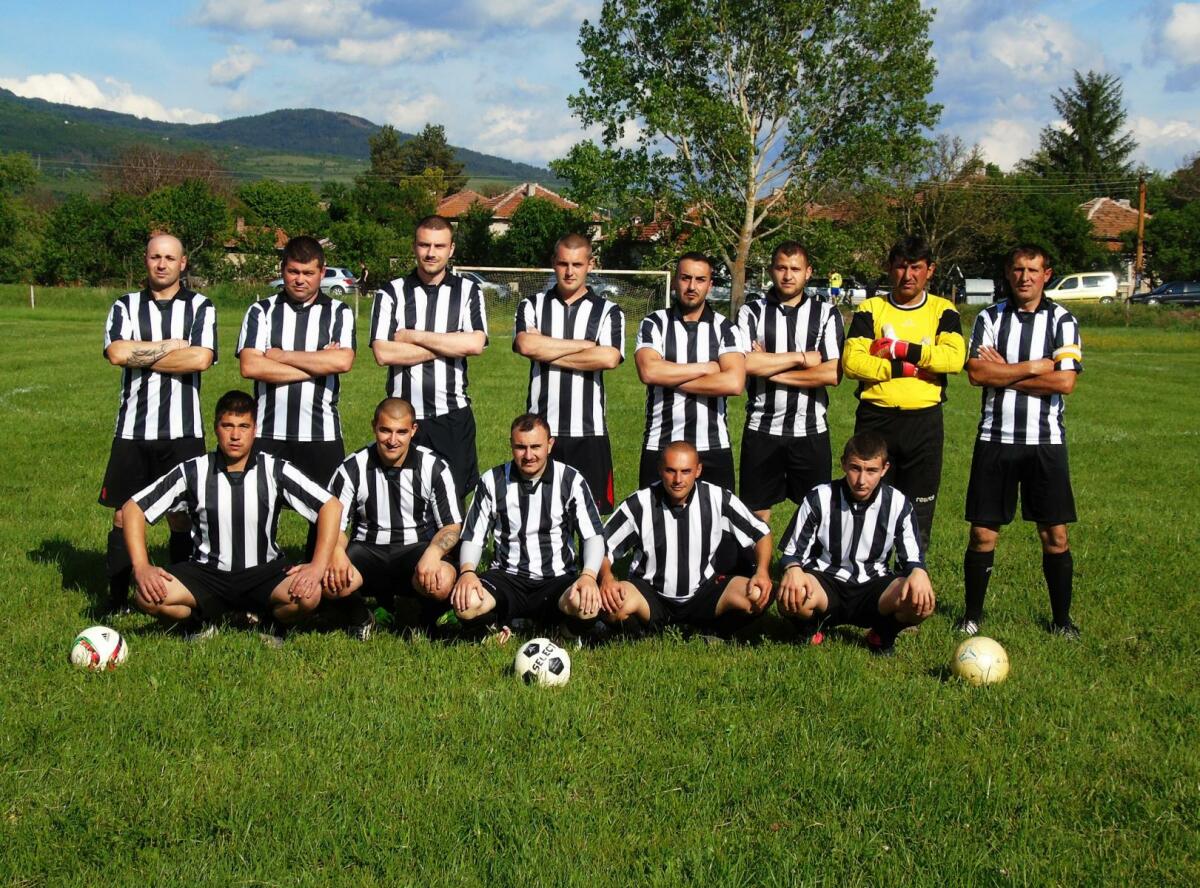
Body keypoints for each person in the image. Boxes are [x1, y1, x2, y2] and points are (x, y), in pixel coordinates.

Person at [121, 390, 342, 636]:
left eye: (243, 426)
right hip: (206, 574)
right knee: (146, 597)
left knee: (310, 596)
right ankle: (198, 623)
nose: (235, 435)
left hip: (264, 572)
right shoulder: (194, 470)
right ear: (216, 428)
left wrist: (317, 566)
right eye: (228, 426)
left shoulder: (274, 469)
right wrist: (141, 566)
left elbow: (330, 506)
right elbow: (133, 509)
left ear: (255, 430)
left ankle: (270, 623)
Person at [958, 245, 1083, 638]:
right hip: (995, 439)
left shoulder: (1063, 321)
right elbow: (978, 374)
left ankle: (1061, 621)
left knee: (1055, 535)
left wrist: (1006, 374)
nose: (1024, 277)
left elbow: (1065, 381)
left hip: (1045, 442)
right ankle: (971, 617)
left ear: (1047, 274)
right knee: (982, 534)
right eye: (1017, 269)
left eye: (1032, 270)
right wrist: (1032, 367)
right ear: (1008, 273)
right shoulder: (989, 317)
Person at [99, 233, 217, 613]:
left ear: (183, 263)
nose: (161, 264)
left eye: (169, 258)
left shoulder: (200, 306)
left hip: (183, 432)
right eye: (155, 257)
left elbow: (200, 359)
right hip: (133, 431)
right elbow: (116, 353)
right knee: (123, 515)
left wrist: (141, 352)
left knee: (181, 517)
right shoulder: (125, 305)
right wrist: (172, 346)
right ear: (146, 260)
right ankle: (117, 600)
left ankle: (182, 595)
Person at [842, 235, 965, 548]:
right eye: (900, 267)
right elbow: (853, 363)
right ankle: (868, 574)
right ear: (889, 268)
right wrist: (910, 368)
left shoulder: (943, 310)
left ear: (930, 270)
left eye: (916, 267)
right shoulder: (871, 309)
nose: (908, 275)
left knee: (918, 516)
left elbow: (953, 359)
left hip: (924, 423)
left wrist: (898, 349)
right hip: (876, 420)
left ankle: (912, 574)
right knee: (869, 507)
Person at [237, 235, 356, 555]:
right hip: (268, 432)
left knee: (325, 516)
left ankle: (316, 580)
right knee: (259, 513)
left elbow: (342, 362)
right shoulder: (261, 311)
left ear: (322, 272)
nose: (300, 279)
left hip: (321, 434)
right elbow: (250, 366)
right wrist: (318, 363)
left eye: (308, 272)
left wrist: (280, 356)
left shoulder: (339, 312)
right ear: (282, 270)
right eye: (293, 271)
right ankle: (262, 576)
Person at [776, 433, 934, 656]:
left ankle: (883, 634)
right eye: (855, 468)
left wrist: (919, 573)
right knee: (789, 592)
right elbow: (792, 554)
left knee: (921, 600)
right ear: (843, 464)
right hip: (826, 583)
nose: (861, 480)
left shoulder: (898, 503)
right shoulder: (820, 497)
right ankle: (810, 629)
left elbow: (913, 560)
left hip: (874, 587)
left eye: (871, 471)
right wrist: (792, 570)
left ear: (885, 469)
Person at [450, 414, 606, 638]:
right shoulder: (492, 480)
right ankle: (495, 630)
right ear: (511, 445)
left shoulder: (571, 480)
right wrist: (467, 572)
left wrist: (589, 576)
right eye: (521, 447)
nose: (529, 455)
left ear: (550, 445)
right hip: (507, 577)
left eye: (536, 446)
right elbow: (473, 537)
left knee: (587, 604)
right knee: (466, 603)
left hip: (557, 578)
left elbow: (593, 536)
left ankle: (563, 634)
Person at [598, 441, 773, 637]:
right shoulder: (640, 503)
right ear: (660, 469)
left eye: (686, 471)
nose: (678, 479)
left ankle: (713, 632)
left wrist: (762, 571)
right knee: (609, 605)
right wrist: (606, 578)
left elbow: (761, 533)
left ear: (698, 470)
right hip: (650, 594)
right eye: (671, 471)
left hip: (703, 592)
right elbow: (601, 545)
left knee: (759, 594)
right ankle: (645, 634)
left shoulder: (717, 498)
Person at [324, 398, 462, 638]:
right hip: (368, 548)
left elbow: (451, 526)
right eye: (385, 430)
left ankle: (424, 620)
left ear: (413, 430)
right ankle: (361, 617)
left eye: (401, 432)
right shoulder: (352, 468)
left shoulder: (434, 467)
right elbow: (334, 525)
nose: (392, 440)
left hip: (416, 548)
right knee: (327, 579)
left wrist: (433, 553)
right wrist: (336, 553)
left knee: (441, 580)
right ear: (374, 427)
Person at [371, 215, 488, 499]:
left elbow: (475, 343)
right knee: (401, 500)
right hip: (401, 420)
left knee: (451, 502)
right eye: (424, 245)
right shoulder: (391, 292)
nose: (431, 253)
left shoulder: (468, 291)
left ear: (451, 249)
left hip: (452, 417)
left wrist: (411, 335)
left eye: (439, 246)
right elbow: (383, 353)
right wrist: (451, 342)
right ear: (414, 246)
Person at [513, 233, 625, 513]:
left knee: (590, 517)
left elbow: (609, 358)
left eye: (577, 264)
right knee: (539, 513)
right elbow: (526, 345)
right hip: (541, 431)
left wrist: (545, 348)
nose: (570, 271)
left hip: (589, 431)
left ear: (591, 264)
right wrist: (586, 346)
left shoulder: (609, 311)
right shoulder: (532, 305)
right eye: (563, 263)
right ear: (554, 262)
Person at [737, 241, 844, 524]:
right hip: (761, 428)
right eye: (781, 268)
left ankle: (801, 556)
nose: (787, 275)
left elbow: (832, 374)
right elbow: (745, 364)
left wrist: (770, 369)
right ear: (772, 270)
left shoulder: (826, 313)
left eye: (795, 269)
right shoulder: (752, 311)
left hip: (811, 430)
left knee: (817, 515)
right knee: (756, 513)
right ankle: (761, 558)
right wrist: (802, 358)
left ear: (808, 272)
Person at [635, 252, 746, 490]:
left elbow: (734, 383)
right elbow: (649, 372)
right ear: (675, 281)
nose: (692, 287)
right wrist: (706, 368)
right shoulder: (654, 323)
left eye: (700, 280)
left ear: (710, 284)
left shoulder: (726, 328)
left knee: (716, 514)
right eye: (685, 278)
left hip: (713, 446)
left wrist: (668, 375)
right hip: (661, 443)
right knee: (655, 514)